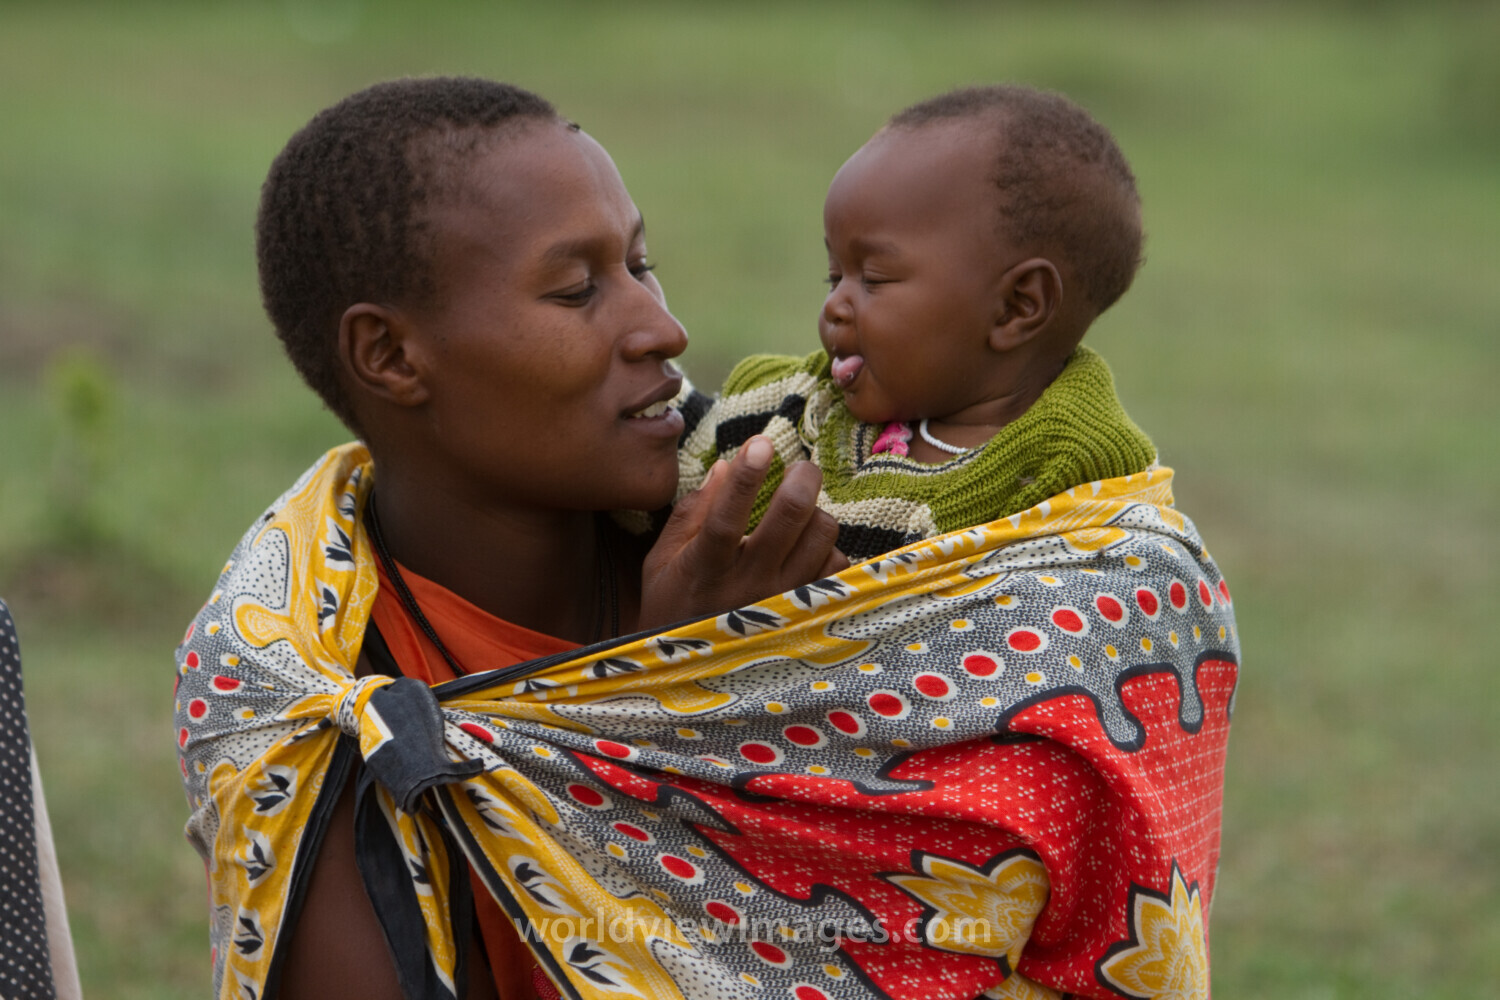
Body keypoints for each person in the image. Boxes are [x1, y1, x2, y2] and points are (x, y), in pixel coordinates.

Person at [177, 76, 1237, 1000]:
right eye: (578, 287)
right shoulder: (309, 689)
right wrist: (664, 706)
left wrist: (727, 676)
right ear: (391, 357)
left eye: (642, 263)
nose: (662, 328)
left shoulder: (796, 512)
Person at [678, 86, 1155, 563]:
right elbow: (664, 450)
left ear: (1016, 307)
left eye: (874, 279)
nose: (834, 307)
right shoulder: (795, 404)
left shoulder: (1076, 483)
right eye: (833, 276)